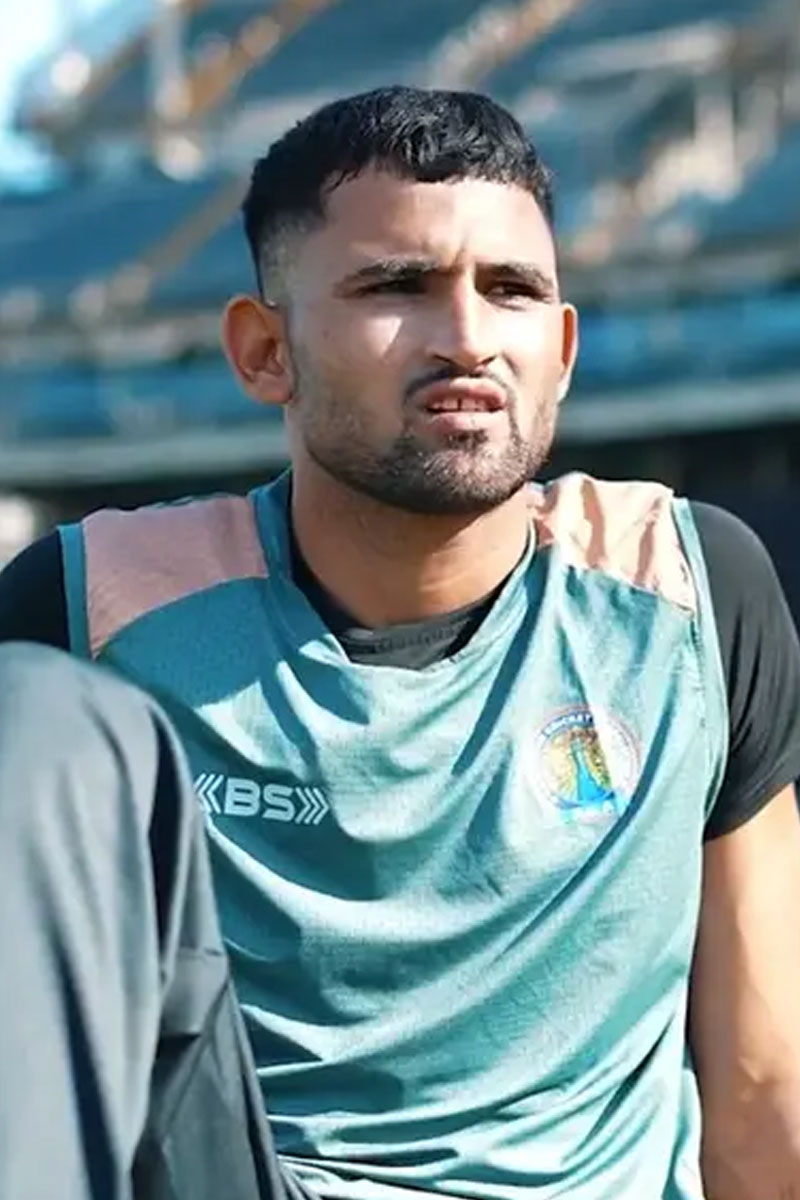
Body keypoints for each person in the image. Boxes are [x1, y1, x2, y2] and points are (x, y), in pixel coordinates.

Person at [0, 85, 799, 1200]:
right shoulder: (92, 604)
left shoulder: (688, 589)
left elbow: (764, 1086)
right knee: (32, 711)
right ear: (264, 351)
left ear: (563, 348)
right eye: (395, 287)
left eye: (511, 290)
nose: (468, 340)